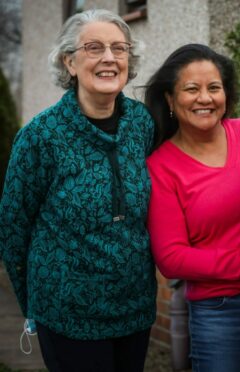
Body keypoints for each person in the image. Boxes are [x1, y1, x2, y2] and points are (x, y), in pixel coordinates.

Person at [0, 9, 155, 372]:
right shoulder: (40, 136)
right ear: (69, 61)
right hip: (67, 312)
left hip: (134, 307)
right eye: (94, 47)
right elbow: (12, 229)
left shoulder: (141, 123)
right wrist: (33, 305)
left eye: (120, 49)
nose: (109, 58)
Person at [144, 44, 240, 372]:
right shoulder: (161, 167)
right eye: (192, 89)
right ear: (171, 100)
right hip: (221, 312)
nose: (205, 98)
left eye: (214, 88)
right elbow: (172, 257)